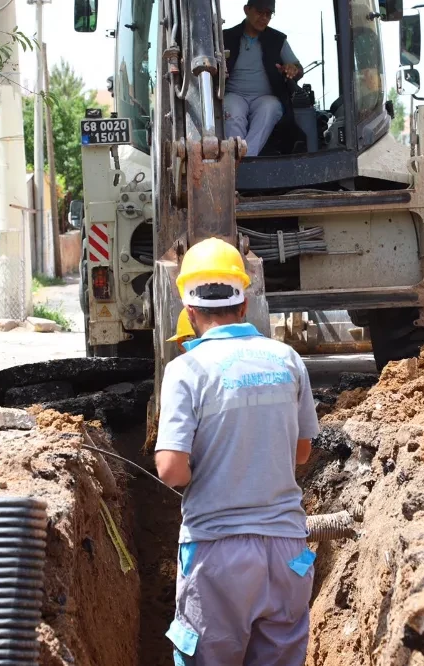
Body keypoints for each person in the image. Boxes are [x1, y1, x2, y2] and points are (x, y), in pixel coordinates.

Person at [155, 238, 320, 666]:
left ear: (189, 312)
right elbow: (302, 454)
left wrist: (200, 470)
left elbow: (172, 469)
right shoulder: (288, 359)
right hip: (288, 554)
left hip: (217, 554)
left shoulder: (185, 369)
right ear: (244, 305)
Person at [223, 0, 304, 157]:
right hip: (234, 95)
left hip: (265, 97)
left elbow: (297, 68)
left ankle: (243, 161)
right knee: (232, 112)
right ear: (247, 10)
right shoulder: (226, 37)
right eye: (260, 12)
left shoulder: (277, 40)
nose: (264, 18)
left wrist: (293, 69)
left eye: (268, 14)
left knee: (270, 108)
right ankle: (237, 159)